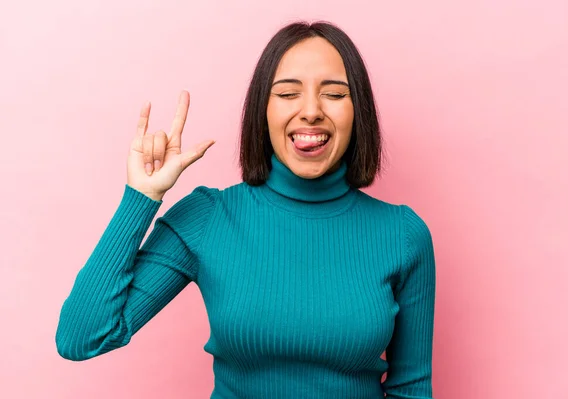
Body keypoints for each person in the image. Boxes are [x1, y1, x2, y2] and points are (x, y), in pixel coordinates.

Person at [55, 20, 436, 399]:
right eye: (288, 94)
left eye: (334, 95)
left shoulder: (402, 235)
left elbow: (411, 388)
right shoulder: (208, 217)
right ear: (262, 110)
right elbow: (82, 337)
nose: (311, 111)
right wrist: (141, 197)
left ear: (359, 113)